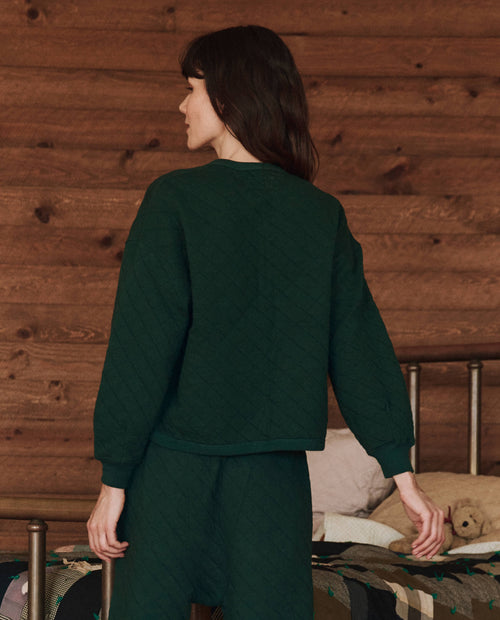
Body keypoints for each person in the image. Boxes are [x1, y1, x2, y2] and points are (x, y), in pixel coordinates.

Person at [87, 25, 445, 620]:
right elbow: (359, 348)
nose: (182, 105)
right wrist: (402, 475)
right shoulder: (319, 215)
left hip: (174, 469)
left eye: (192, 89)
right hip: (273, 477)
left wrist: (114, 481)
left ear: (229, 97)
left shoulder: (174, 199)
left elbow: (141, 348)